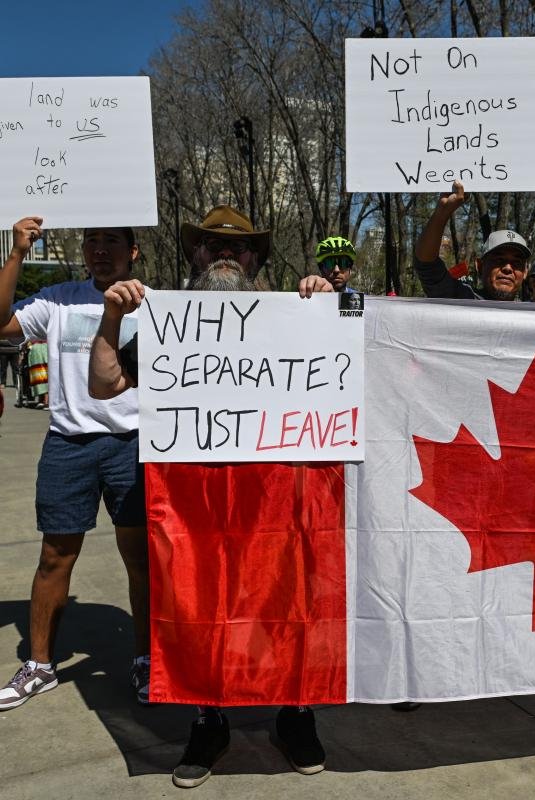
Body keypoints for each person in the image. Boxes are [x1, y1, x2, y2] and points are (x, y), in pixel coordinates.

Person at [91, 206, 330, 788]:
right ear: (195, 256)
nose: (227, 254)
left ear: (258, 261)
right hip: (193, 499)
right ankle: (209, 720)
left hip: (277, 496)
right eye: (212, 245)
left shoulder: (295, 315)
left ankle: (294, 714)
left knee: (287, 601)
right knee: (199, 606)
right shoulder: (170, 327)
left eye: (241, 247)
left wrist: (326, 304)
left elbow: (355, 359)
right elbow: (105, 384)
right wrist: (111, 317)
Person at [0, 219, 150, 711]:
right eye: (91, 241)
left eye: (111, 242)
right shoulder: (58, 298)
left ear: (132, 251)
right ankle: (40, 666)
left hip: (133, 445)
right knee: (53, 557)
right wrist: (18, 253)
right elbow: (2, 325)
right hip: (69, 444)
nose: (99, 250)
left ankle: (147, 659)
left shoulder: (154, 304)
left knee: (141, 560)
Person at [414, 181, 530, 301]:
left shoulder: (534, 316)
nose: (507, 268)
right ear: (479, 266)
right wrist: (442, 213)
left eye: (516, 263)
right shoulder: (462, 299)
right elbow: (426, 265)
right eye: (499, 260)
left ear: (525, 272)